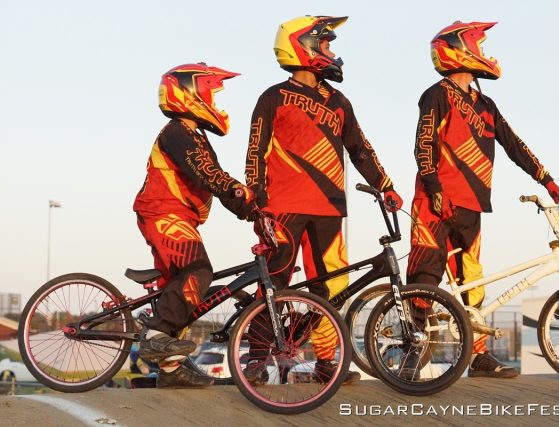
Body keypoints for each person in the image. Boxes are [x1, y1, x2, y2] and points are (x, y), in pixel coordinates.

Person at [242, 15, 403, 385]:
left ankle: (327, 362)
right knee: (274, 284)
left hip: (329, 209)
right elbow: (255, 152)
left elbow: (359, 148)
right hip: (282, 209)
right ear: (304, 46)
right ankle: (256, 358)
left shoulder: (339, 101)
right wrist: (257, 200)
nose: (332, 52)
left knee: (331, 287)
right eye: (326, 44)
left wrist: (385, 185)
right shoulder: (273, 97)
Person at [406, 21, 559, 378]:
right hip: (435, 202)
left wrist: (546, 179)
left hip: (472, 205)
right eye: (477, 46)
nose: (485, 54)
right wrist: (434, 189)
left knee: (473, 283)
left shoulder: (486, 104)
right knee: (424, 277)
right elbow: (424, 144)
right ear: (459, 51)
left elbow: (513, 144)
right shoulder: (436, 94)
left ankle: (477, 356)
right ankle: (411, 352)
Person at [135, 63, 255, 388]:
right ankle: (155, 335)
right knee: (198, 271)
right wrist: (237, 190)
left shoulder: (197, 138)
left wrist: (252, 209)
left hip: (178, 216)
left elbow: (217, 181)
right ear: (192, 95)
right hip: (163, 212)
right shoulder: (176, 133)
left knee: (187, 293)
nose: (216, 104)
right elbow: (207, 174)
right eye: (212, 95)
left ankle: (171, 369)